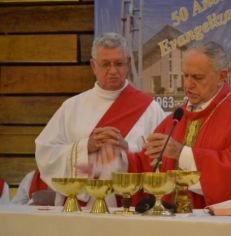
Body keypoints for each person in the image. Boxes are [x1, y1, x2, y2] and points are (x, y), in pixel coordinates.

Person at [127, 41, 231, 208]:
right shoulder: (177, 117)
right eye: (185, 75)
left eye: (197, 77)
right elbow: (148, 164)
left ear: (222, 76)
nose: (187, 85)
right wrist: (120, 158)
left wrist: (182, 154)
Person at [35, 32, 165, 206]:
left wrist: (128, 149)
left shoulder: (151, 109)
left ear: (128, 63)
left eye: (118, 64)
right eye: (105, 64)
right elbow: (46, 153)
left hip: (127, 208)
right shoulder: (72, 107)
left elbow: (162, 161)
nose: (112, 71)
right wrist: (85, 147)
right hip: (78, 209)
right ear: (93, 65)